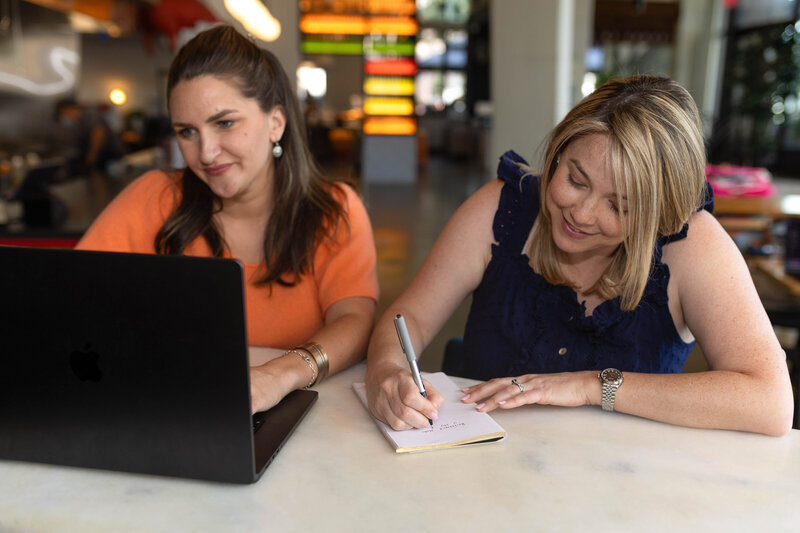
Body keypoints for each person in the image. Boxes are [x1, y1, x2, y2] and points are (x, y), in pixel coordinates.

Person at [365, 75, 794, 436]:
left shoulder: (691, 243)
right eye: (575, 179)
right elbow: (410, 319)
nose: (582, 214)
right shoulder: (504, 208)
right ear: (556, 154)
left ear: (659, 215)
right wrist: (387, 370)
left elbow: (771, 402)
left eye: (620, 206)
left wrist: (594, 386)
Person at [76, 25, 378, 413]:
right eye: (187, 132)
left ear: (276, 123)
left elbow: (355, 320)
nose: (206, 153)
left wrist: (279, 374)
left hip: (301, 413)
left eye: (225, 123)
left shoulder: (332, 210)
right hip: (173, 411)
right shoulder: (154, 197)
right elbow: (76, 298)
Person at [55, 98, 124, 176]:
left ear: (68, 109)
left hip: (111, 158)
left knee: (117, 183)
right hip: (102, 160)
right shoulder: (78, 123)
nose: (63, 117)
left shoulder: (89, 114)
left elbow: (98, 133)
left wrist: (90, 159)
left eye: (63, 113)